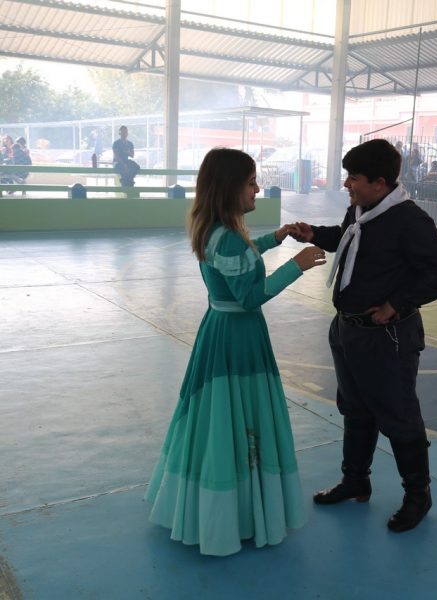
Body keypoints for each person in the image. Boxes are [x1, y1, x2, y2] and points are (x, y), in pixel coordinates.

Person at [145, 147, 326, 556]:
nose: (257, 189)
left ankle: (220, 503)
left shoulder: (216, 230)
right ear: (230, 188)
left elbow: (239, 259)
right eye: (251, 182)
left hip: (220, 328)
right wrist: (296, 265)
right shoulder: (227, 238)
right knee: (238, 414)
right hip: (237, 337)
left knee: (217, 416)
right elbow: (251, 295)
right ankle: (237, 512)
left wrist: (273, 239)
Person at [289, 139, 437, 533]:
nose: (346, 184)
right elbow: (348, 238)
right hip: (348, 330)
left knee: (399, 415)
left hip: (387, 337)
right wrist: (314, 234)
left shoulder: (409, 220)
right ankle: (355, 480)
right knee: (355, 408)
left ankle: (417, 495)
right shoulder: (362, 210)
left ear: (379, 182)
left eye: (354, 177)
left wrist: (396, 303)